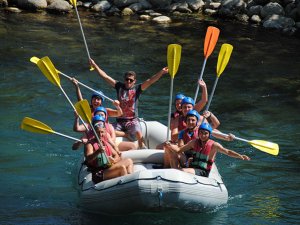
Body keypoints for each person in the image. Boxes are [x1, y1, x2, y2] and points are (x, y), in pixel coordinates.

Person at [89, 58, 169, 149]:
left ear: (134, 81)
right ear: (124, 80)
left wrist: (161, 72)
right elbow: (106, 77)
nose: (128, 82)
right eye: (127, 79)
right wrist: (95, 66)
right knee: (106, 130)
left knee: (138, 132)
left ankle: (141, 145)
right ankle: (123, 136)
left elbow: (150, 81)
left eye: (131, 80)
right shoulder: (119, 86)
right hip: (119, 120)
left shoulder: (137, 89)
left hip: (132, 120)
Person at [165, 122, 250, 177]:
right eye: (201, 133)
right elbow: (179, 150)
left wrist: (240, 156)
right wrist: (169, 145)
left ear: (209, 134)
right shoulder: (194, 142)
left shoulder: (214, 145)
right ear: (198, 133)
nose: (203, 135)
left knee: (179, 171)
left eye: (205, 133)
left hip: (202, 171)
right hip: (192, 166)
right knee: (172, 155)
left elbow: (228, 152)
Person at [84, 115, 134, 183]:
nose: (100, 134)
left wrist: (113, 160)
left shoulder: (105, 143)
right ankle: (126, 184)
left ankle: (131, 177)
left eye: (102, 132)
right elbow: (88, 159)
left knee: (129, 160)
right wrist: (98, 151)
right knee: (121, 167)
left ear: (105, 132)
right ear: (94, 133)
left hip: (108, 168)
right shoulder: (89, 144)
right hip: (99, 173)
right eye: (98, 132)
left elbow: (116, 155)